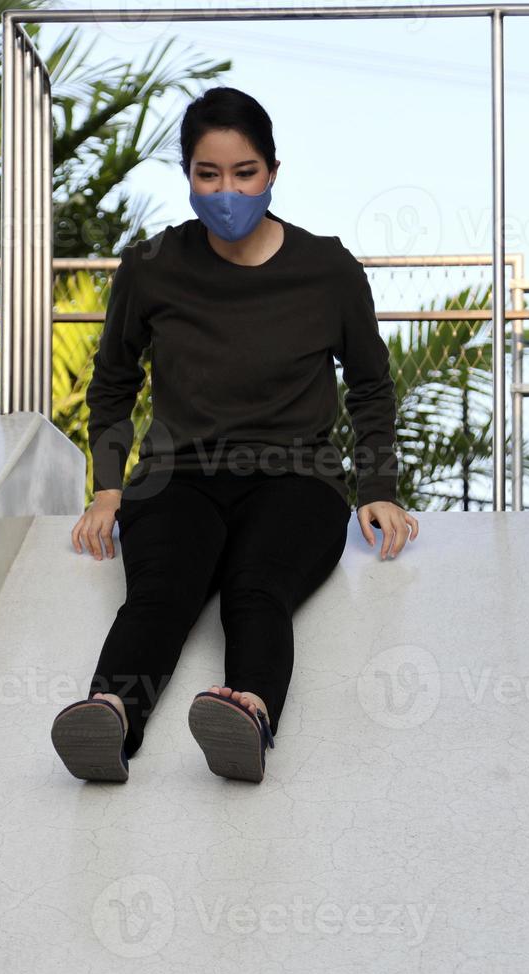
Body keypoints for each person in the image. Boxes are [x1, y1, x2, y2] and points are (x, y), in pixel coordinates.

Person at [51, 86, 419, 783]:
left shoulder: (327, 269)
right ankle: (111, 716)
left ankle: (246, 712)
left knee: (258, 588)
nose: (227, 191)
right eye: (208, 174)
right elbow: (114, 380)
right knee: (161, 591)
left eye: (244, 173)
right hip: (177, 476)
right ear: (188, 175)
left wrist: (377, 487)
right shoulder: (152, 266)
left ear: (272, 172)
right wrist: (106, 488)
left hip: (297, 480)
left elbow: (370, 385)